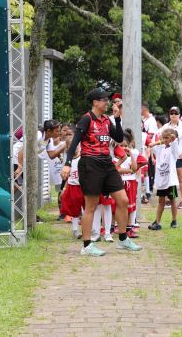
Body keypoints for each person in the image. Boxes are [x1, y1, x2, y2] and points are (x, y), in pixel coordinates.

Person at [60, 87, 142, 256]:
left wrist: (118, 119)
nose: (108, 102)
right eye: (104, 100)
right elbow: (74, 143)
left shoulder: (106, 120)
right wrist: (67, 163)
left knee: (123, 200)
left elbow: (119, 138)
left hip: (107, 164)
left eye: (108, 99)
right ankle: (87, 245)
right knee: (91, 205)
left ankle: (123, 239)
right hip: (90, 164)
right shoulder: (86, 119)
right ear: (95, 102)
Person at [148, 128, 180, 230]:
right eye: (164, 138)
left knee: (172, 200)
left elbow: (174, 142)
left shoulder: (174, 149)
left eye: (167, 138)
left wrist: (171, 139)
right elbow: (151, 145)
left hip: (170, 181)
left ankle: (174, 220)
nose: (165, 140)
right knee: (161, 201)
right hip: (161, 180)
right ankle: (157, 221)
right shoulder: (160, 148)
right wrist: (161, 141)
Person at [161, 106, 182, 210]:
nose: (173, 115)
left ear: (179, 114)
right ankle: (169, 200)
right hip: (168, 156)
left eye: (175, 113)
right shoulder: (165, 126)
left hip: (179, 156)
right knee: (168, 177)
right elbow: (161, 139)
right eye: (171, 113)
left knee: (181, 178)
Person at [116, 130, 140, 239]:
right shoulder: (116, 158)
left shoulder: (131, 156)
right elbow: (117, 169)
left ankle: (130, 227)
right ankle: (119, 225)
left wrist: (131, 154)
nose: (124, 148)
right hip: (120, 183)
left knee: (131, 204)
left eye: (126, 146)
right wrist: (128, 170)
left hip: (131, 183)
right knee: (120, 205)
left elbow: (134, 169)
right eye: (121, 146)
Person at [59, 144, 84, 239]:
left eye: (76, 146)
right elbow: (65, 177)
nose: (74, 148)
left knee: (85, 209)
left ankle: (87, 229)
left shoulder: (82, 159)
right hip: (73, 186)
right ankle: (75, 230)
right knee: (75, 210)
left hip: (83, 186)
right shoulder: (67, 163)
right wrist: (63, 188)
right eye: (71, 147)